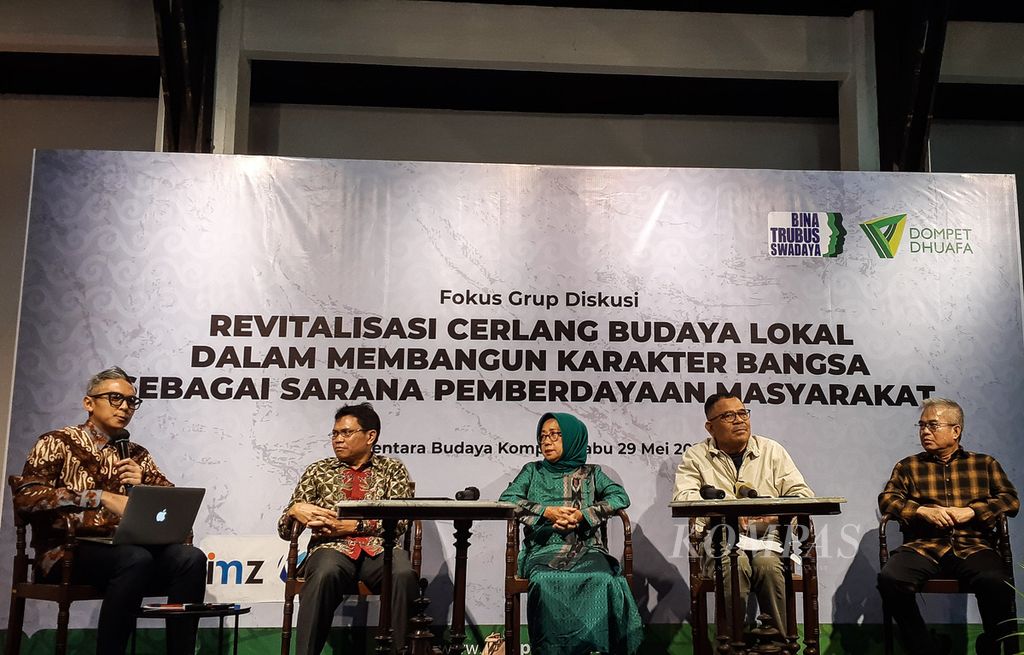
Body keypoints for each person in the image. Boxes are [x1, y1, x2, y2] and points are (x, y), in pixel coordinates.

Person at [11, 366, 206, 655]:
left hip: (128, 552)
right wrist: (99, 497)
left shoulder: (135, 453)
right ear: (89, 403)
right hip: (66, 553)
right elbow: (27, 497)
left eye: (131, 401)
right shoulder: (56, 442)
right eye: (115, 398)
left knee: (190, 558)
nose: (125, 407)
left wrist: (144, 487)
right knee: (134, 558)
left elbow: (172, 503)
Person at [877, 397, 1019, 655]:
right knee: (890, 578)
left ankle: (992, 645)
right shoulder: (909, 466)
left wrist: (971, 511)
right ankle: (925, 648)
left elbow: (1010, 500)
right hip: (923, 546)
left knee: (995, 580)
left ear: (956, 431)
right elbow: (887, 500)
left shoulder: (984, 464)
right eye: (921, 425)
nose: (925, 431)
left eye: (933, 425)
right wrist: (921, 511)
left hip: (973, 545)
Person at [498, 411, 643, 655]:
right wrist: (548, 512)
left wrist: (582, 515)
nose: (546, 441)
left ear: (573, 438)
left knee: (604, 579)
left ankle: (598, 650)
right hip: (544, 550)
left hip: (587, 549)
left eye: (555, 435)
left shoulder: (592, 473)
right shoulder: (532, 471)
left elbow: (620, 497)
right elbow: (507, 500)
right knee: (544, 581)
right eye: (542, 436)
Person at [279, 402, 417, 655]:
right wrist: (293, 510)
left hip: (379, 549)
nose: (337, 440)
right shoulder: (318, 470)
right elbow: (285, 530)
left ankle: (400, 651)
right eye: (334, 434)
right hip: (330, 549)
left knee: (403, 573)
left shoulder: (391, 469)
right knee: (323, 574)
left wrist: (352, 526)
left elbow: (400, 521)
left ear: (370, 436)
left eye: (346, 433)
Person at [672, 392, 813, 635]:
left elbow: (802, 495)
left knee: (768, 563)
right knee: (732, 563)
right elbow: (683, 499)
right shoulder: (696, 456)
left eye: (743, 413)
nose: (739, 420)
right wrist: (727, 514)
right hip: (720, 537)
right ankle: (732, 642)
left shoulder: (771, 451)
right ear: (710, 427)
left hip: (769, 537)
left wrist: (773, 516)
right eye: (728, 415)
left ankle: (779, 642)